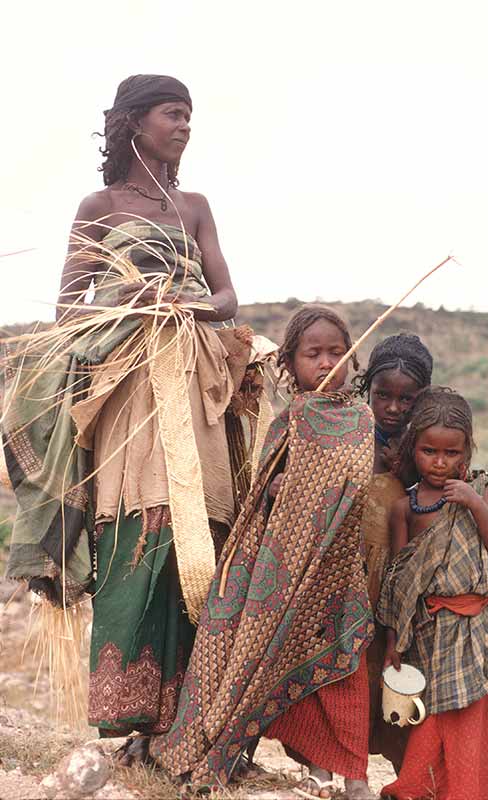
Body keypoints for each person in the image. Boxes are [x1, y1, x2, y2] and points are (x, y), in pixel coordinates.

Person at [2, 74, 267, 757]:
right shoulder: (99, 206)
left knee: (202, 524)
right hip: (127, 380)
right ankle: (134, 721)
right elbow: (69, 309)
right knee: (137, 525)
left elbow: (227, 295)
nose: (184, 126)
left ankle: (194, 714)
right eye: (172, 114)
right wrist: (133, 306)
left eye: (188, 116)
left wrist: (183, 308)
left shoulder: (196, 206)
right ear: (133, 124)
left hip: (196, 369)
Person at [150, 305, 377, 800]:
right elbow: (261, 496)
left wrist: (311, 488)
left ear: (353, 360)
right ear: (290, 364)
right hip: (283, 572)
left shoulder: (362, 420)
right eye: (312, 354)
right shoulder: (292, 419)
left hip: (338, 573)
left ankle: (356, 776)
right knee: (276, 667)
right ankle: (316, 770)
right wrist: (278, 488)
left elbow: (356, 484)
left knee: (346, 669)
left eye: (337, 353)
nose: (326, 363)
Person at [377, 387, 488, 800]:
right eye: (428, 451)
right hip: (432, 635)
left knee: (474, 723)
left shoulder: (480, 492)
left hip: (478, 632)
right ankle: (421, 790)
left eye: (451, 453)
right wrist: (393, 642)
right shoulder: (406, 508)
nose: (439, 462)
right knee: (435, 721)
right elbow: (399, 584)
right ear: (412, 449)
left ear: (466, 452)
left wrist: (474, 504)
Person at [356, 334, 433, 773]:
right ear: (368, 388)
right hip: (356, 577)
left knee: (400, 669)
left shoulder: (428, 446)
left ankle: (408, 768)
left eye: (407, 399)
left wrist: (406, 469)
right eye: (383, 394)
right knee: (356, 670)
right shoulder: (352, 435)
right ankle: (342, 763)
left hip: (405, 583)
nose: (393, 408)